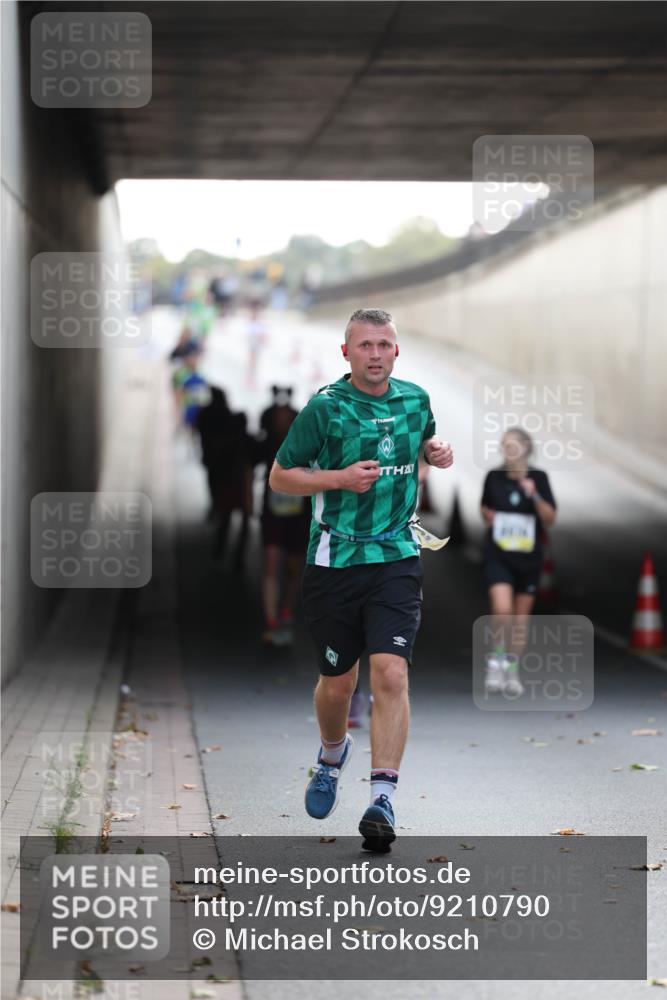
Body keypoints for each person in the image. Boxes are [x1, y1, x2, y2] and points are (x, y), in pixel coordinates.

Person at [269, 307, 454, 851]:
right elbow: (281, 476)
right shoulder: (326, 408)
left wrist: (436, 452)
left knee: (391, 674)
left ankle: (382, 798)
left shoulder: (416, 400)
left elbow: (425, 444)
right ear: (346, 353)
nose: (375, 354)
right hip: (334, 562)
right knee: (338, 684)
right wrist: (340, 479)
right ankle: (331, 755)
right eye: (365, 345)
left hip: (396, 556)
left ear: (397, 351)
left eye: (384, 344)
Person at [480, 427, 557, 696]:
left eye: (511, 445)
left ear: (525, 447)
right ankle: (495, 661)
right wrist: (487, 515)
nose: (506, 451)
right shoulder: (493, 477)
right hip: (498, 554)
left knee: (521, 618)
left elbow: (550, 518)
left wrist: (534, 494)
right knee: (502, 610)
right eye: (503, 446)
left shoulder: (539, 478)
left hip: (528, 558)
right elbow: (484, 506)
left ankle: (512, 668)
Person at [256, 386, 311, 646]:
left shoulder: (306, 445)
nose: (282, 421)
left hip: (299, 515)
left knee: (292, 566)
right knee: (270, 561)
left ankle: (286, 608)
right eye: (278, 417)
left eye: (286, 417)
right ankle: (271, 620)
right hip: (272, 513)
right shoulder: (265, 445)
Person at [196, 387, 253, 568]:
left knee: (225, 515)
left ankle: (220, 550)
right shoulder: (239, 432)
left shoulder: (206, 415)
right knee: (243, 520)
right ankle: (236, 556)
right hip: (240, 482)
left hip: (224, 475)